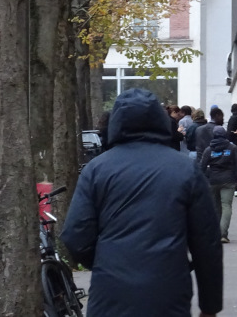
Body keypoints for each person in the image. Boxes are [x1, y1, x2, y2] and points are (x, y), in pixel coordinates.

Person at [61, 89, 223, 317]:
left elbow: (75, 235)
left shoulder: (97, 170)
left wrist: (105, 261)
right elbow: (207, 243)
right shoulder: (185, 170)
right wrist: (210, 306)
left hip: (111, 292)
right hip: (168, 290)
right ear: (159, 120)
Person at [199, 126, 237, 243]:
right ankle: (223, 234)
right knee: (226, 206)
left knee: (216, 208)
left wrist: (203, 181)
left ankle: (215, 233)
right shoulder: (232, 148)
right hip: (228, 181)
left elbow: (201, 167)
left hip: (213, 181)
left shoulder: (209, 150)